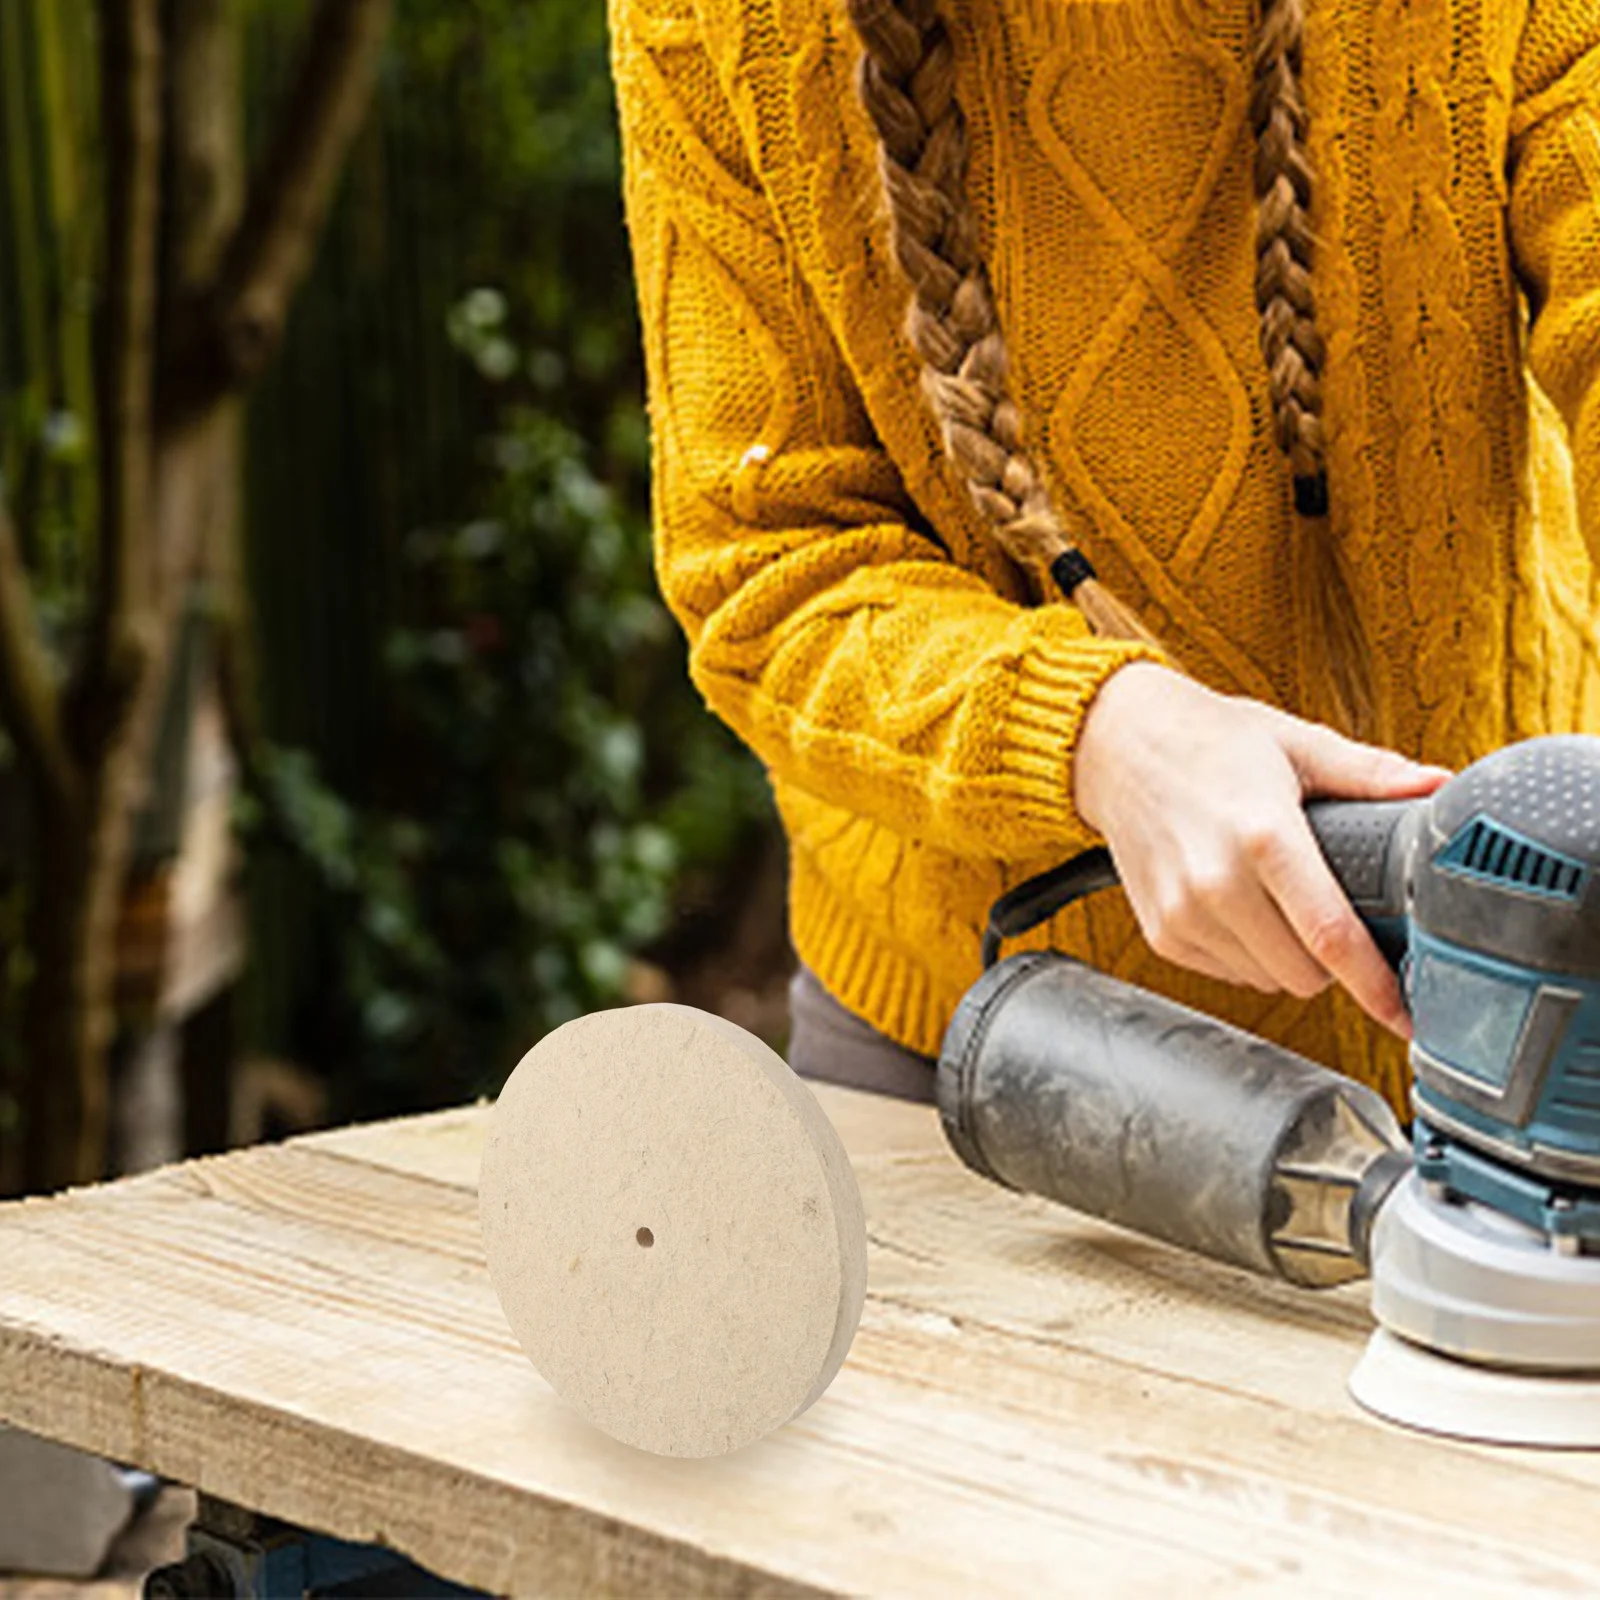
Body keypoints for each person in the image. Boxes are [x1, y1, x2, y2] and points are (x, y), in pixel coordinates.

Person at [607, 0, 1600, 1118]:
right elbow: (764, 558)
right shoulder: (717, 24)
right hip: (975, 1056)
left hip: (1516, 987)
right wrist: (1099, 735)